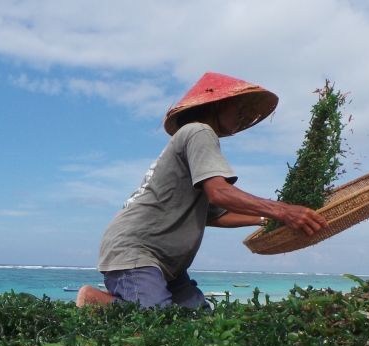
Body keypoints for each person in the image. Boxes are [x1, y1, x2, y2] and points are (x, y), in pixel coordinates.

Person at [75, 72, 328, 309]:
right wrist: (283, 210)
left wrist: (268, 219)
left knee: (198, 321)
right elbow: (220, 193)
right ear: (216, 105)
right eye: (237, 109)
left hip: (168, 263)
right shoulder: (199, 131)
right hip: (136, 252)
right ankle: (94, 299)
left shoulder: (194, 138)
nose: (241, 116)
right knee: (159, 322)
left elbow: (215, 214)